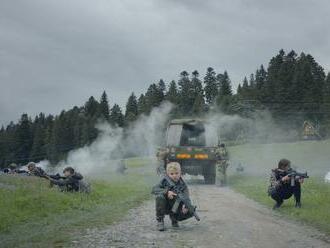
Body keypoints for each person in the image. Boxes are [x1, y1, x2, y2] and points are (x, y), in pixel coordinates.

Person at [151, 162, 194, 231]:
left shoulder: (183, 185)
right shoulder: (164, 181)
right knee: (160, 197)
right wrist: (167, 192)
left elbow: (187, 197)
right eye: (172, 174)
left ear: (180, 173)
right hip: (165, 206)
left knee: (191, 209)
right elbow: (154, 189)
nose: (174, 176)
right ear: (168, 174)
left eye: (177, 173)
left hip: (176, 206)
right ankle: (160, 220)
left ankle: (174, 219)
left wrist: (186, 207)